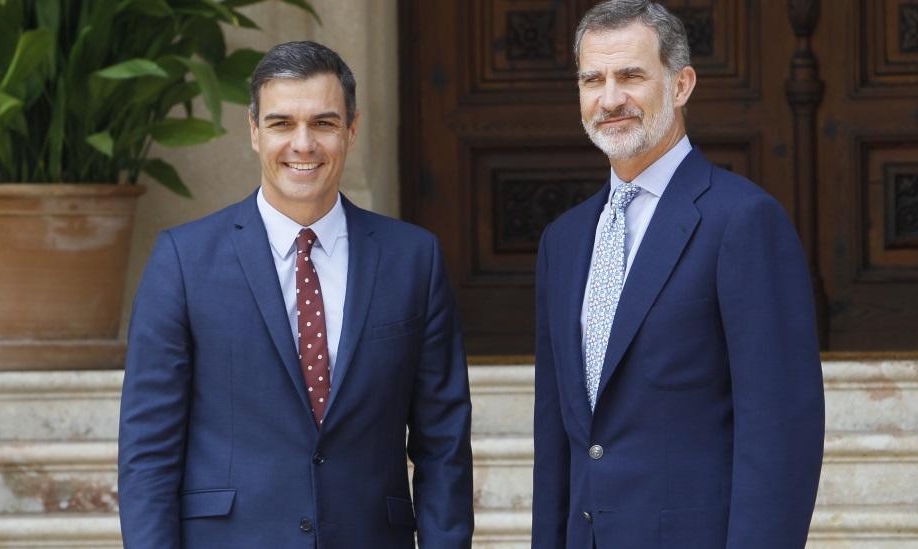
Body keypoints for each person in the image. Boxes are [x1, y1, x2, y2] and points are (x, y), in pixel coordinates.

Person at [118, 41, 473, 549]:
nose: (303, 144)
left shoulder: (414, 259)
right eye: (282, 123)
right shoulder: (183, 259)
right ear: (254, 131)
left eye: (324, 124)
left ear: (351, 130)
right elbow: (148, 450)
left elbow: (444, 446)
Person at [532, 2, 825, 547]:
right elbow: (557, 443)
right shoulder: (564, 241)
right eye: (592, 79)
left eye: (631, 76)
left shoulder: (742, 221)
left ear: (682, 84)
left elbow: (780, 433)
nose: (610, 98)